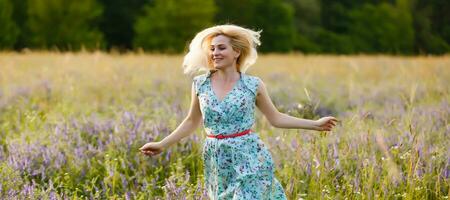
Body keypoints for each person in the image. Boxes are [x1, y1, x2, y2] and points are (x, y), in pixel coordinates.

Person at [139, 24, 339, 199]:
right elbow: (191, 121)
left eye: (221, 48)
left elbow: (275, 118)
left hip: (249, 156)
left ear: (236, 52)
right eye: (212, 49)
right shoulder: (200, 84)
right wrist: (161, 144)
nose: (215, 53)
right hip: (216, 159)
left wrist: (314, 124)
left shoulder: (253, 84)